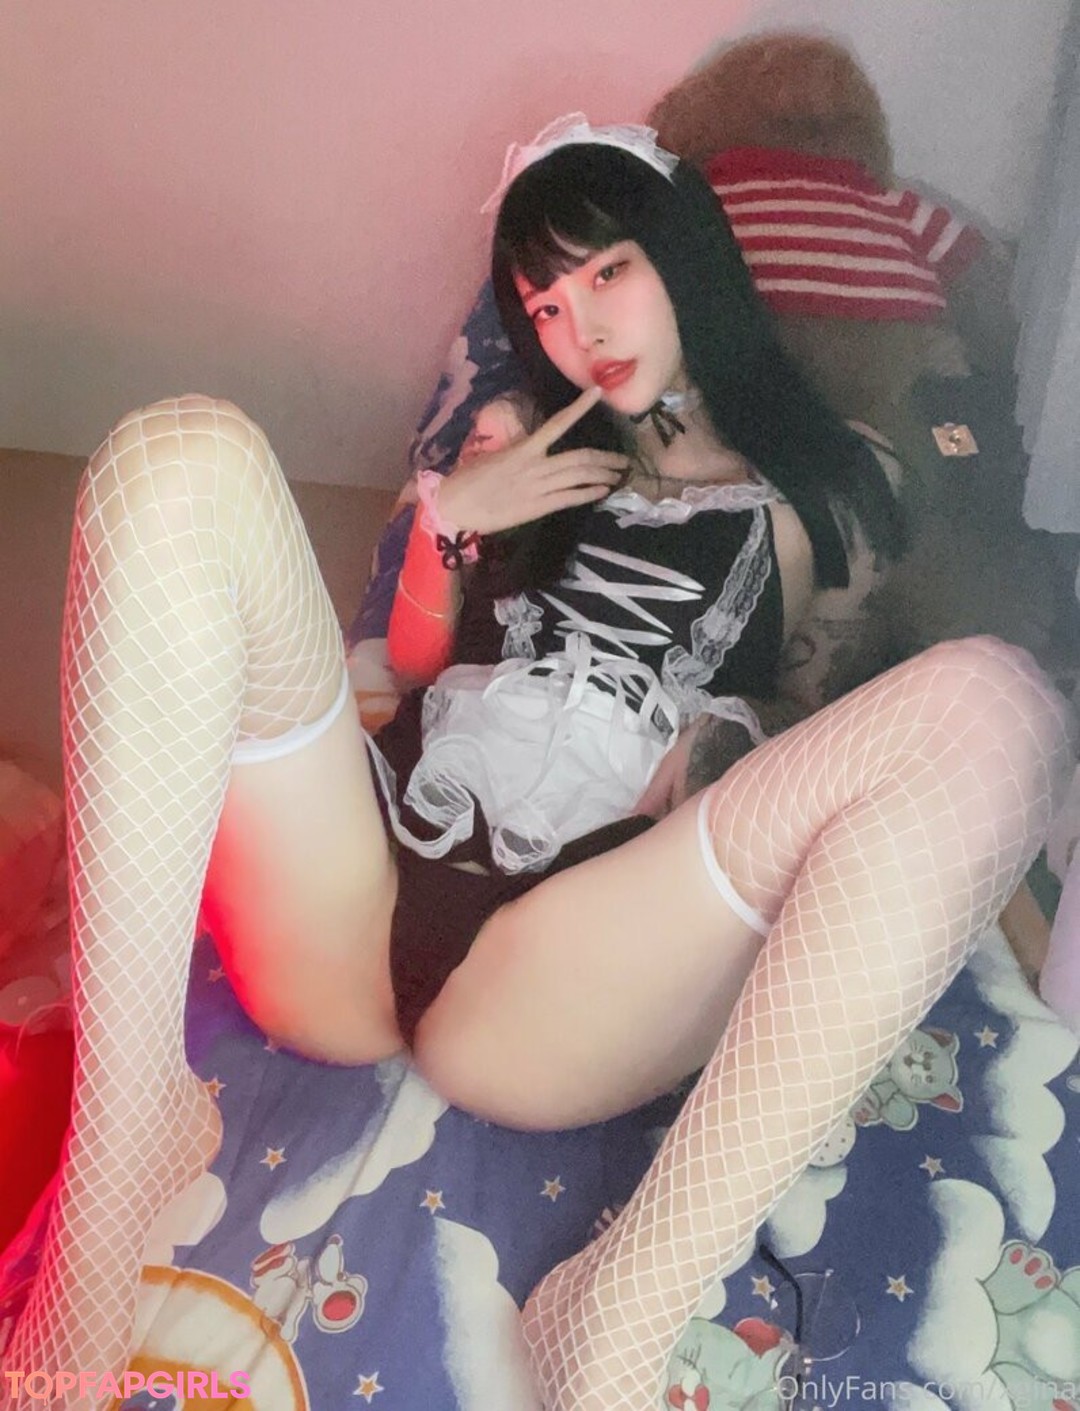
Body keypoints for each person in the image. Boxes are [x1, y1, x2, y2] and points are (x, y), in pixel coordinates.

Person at [0, 117, 1072, 1411]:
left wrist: (728, 742)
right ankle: (125, 1141)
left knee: (999, 710)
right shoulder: (523, 433)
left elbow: (827, 718)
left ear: (685, 256)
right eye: (545, 304)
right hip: (366, 871)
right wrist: (449, 524)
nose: (581, 329)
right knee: (174, 460)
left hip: (572, 950)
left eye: (608, 271)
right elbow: (414, 656)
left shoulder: (828, 486)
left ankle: (617, 1311)